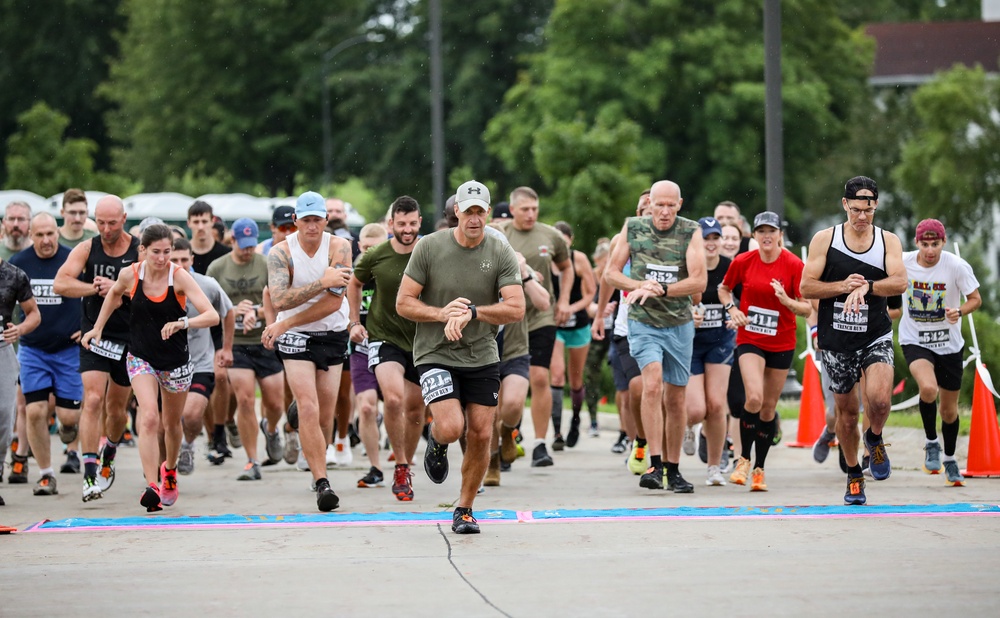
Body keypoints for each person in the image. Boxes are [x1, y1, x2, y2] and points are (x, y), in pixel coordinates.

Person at [397, 179, 524, 534]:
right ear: (456, 212)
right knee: (453, 427)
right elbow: (403, 303)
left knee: (482, 433)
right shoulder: (429, 248)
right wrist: (442, 315)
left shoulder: (500, 251)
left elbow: (516, 307)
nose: (474, 218)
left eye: (480, 212)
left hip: (482, 351)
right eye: (467, 211)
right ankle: (437, 440)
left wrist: (474, 313)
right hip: (435, 351)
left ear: (487, 215)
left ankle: (464, 508)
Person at [82, 224, 219, 511]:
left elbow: (212, 315)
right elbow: (114, 294)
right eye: (155, 252)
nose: (162, 258)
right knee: (148, 417)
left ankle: (169, 470)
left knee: (171, 424)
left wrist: (183, 322)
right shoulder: (130, 274)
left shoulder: (178, 277)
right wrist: (97, 328)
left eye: (167, 252)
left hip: (175, 362)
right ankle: (152, 484)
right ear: (142, 250)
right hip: (140, 356)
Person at [801, 176, 907, 506]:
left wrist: (869, 288)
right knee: (846, 415)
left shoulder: (887, 241)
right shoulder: (825, 239)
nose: (862, 218)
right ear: (845, 205)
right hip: (837, 340)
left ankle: (874, 437)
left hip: (875, 333)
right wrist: (843, 287)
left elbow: (900, 281)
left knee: (879, 401)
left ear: (876, 207)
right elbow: (807, 287)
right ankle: (853, 475)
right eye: (857, 210)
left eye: (869, 210)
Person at [605, 180, 705, 493]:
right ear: (649, 204)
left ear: (679, 204)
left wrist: (664, 289)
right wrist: (639, 286)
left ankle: (673, 469)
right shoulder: (632, 228)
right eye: (657, 205)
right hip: (642, 320)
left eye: (669, 206)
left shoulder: (691, 231)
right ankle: (654, 463)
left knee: (676, 396)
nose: (663, 212)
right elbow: (611, 273)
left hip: (678, 322)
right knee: (651, 382)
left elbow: (699, 280)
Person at [263, 190, 353, 512]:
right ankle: (322, 482)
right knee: (310, 407)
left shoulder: (340, 247)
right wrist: (320, 282)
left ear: (326, 221)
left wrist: (285, 321)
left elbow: (334, 300)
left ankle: (310, 439)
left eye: (317, 220)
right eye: (306, 220)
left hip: (331, 332)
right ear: (295, 221)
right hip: (296, 336)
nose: (312, 227)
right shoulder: (279, 253)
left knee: (325, 415)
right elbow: (280, 300)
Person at [54, 195, 140, 502]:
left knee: (117, 410)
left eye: (112, 223)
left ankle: (110, 451)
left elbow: (153, 289)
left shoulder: (138, 249)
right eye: (100, 222)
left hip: (128, 337)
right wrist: (93, 287)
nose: (105, 229)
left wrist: (120, 288)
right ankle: (89, 475)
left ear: (124, 218)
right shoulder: (87, 248)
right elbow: (60, 283)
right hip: (95, 335)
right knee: (91, 399)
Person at [718, 212, 810, 491]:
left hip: (782, 342)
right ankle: (743, 460)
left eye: (772, 231)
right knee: (754, 398)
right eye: (761, 231)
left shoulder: (794, 265)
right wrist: (732, 308)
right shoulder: (743, 261)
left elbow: (808, 307)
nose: (766, 236)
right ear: (754, 236)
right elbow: (724, 289)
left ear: (780, 234)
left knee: (769, 408)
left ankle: (760, 468)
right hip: (750, 339)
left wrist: (786, 300)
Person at [348, 196, 425, 501]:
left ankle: (408, 455)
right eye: (401, 223)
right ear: (390, 224)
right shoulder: (376, 255)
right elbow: (354, 283)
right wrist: (354, 322)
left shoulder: (429, 252)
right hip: (384, 336)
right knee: (393, 399)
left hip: (422, 340)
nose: (407, 229)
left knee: (416, 407)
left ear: (420, 223)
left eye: (412, 223)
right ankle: (401, 467)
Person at [898, 219, 981, 486]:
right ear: (916, 243)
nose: (930, 250)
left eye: (935, 244)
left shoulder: (956, 265)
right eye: (925, 244)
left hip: (949, 345)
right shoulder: (903, 262)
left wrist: (960, 311)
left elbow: (975, 299)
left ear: (944, 243)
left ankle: (950, 458)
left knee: (948, 410)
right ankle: (931, 442)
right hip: (915, 340)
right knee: (928, 388)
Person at [207, 218, 286, 481]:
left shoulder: (266, 264)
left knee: (275, 402)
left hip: (265, 340)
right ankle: (253, 461)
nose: (249, 250)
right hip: (236, 343)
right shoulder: (217, 268)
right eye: (244, 246)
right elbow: (206, 308)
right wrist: (230, 312)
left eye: (252, 245)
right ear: (232, 241)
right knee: (244, 400)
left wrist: (257, 311)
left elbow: (281, 303)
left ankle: (271, 429)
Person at [502, 186, 573, 466]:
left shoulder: (550, 235)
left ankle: (540, 444)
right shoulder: (500, 234)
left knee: (540, 377)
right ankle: (504, 437)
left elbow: (566, 267)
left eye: (535, 209)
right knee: (505, 383)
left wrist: (564, 299)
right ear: (512, 210)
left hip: (542, 314)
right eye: (525, 209)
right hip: (508, 317)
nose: (531, 214)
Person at [9, 214, 79, 495]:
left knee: (69, 417)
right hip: (33, 349)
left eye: (51, 233)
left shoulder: (73, 259)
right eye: (40, 235)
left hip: (69, 350)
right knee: (35, 410)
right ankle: (46, 474)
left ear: (58, 232)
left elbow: (93, 296)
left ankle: (68, 429)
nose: (47, 240)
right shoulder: (19, 263)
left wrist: (87, 327)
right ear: (31, 236)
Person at [169, 237, 234, 476]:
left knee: (192, 415)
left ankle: (187, 445)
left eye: (184, 260)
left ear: (192, 260)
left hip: (199, 363)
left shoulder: (207, 285)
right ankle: (162, 466)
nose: (180, 265)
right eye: (174, 260)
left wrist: (225, 348)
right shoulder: (155, 285)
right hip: (165, 365)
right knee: (161, 421)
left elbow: (228, 313)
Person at [681, 217, 736, 486]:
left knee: (716, 405)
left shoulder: (730, 267)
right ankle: (688, 428)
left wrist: (735, 313)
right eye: (706, 238)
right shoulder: (688, 267)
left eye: (716, 238)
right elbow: (675, 302)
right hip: (690, 343)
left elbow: (742, 299)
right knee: (695, 409)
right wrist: (687, 315)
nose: (712, 243)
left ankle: (714, 467)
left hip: (720, 341)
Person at [345, 223, 388, 489]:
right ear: (359, 247)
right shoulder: (352, 275)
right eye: (367, 248)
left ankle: (403, 462)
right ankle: (376, 467)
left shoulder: (397, 272)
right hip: (361, 349)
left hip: (392, 347)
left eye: (378, 248)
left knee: (403, 405)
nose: (371, 253)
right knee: (367, 407)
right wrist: (352, 325)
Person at [549, 221, 597, 449]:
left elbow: (591, 294)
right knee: (557, 376)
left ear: (571, 241)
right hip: (553, 326)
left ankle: (575, 421)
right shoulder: (546, 260)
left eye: (563, 242)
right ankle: (557, 432)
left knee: (576, 380)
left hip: (578, 325)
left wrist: (571, 308)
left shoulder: (580, 260)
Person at [0, 240, 40, 498]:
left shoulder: (14, 275)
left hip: (3, 349)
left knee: (4, 416)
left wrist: (20, 329)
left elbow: (34, 314)